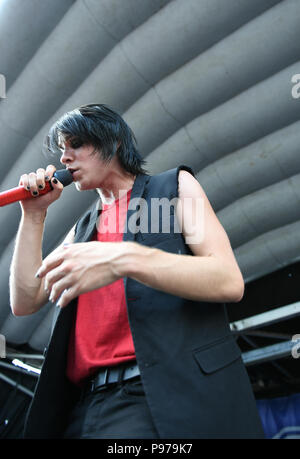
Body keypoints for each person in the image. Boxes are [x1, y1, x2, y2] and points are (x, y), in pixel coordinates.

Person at [9, 104, 264, 439]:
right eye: (61, 150)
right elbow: (25, 301)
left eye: (76, 144)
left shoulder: (172, 188)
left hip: (154, 394)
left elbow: (228, 279)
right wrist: (33, 215)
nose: (65, 158)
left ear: (113, 142)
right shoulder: (84, 228)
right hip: (84, 407)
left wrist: (124, 259)